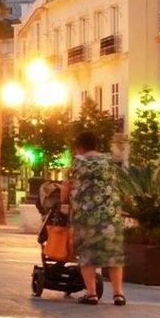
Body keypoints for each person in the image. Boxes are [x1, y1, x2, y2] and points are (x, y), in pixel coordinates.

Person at [69, 131, 125, 305]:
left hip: (87, 216)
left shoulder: (78, 162)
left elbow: (67, 186)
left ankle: (92, 294)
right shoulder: (110, 160)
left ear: (79, 147)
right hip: (110, 214)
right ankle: (118, 294)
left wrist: (65, 204)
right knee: (114, 255)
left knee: (87, 254)